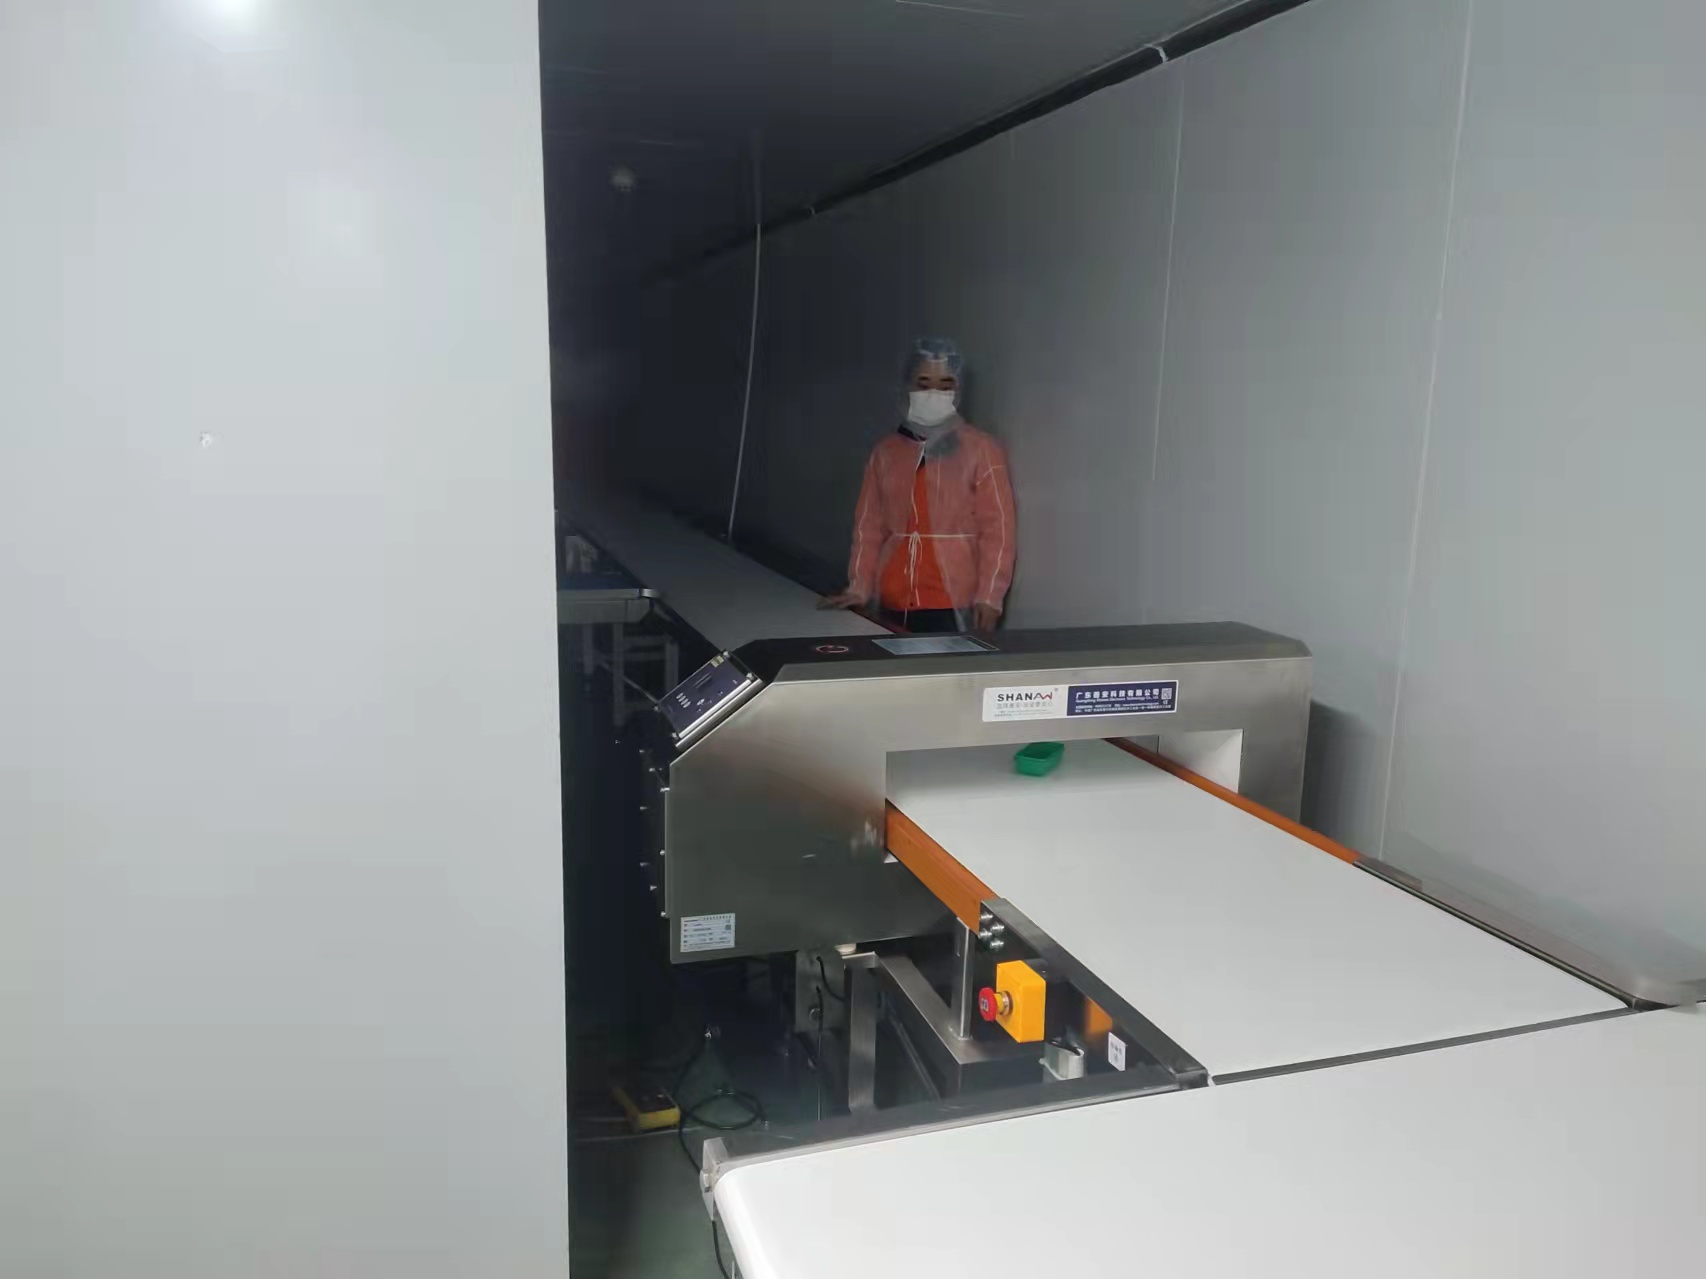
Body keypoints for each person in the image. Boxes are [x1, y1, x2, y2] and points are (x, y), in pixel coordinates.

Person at [822, 338, 1016, 633]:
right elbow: (868, 528)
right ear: (906, 388)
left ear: (958, 390)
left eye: (945, 384)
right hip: (891, 596)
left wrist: (990, 595)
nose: (934, 394)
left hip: (951, 599)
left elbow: (998, 530)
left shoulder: (982, 450)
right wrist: (859, 587)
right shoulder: (886, 453)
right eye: (923, 384)